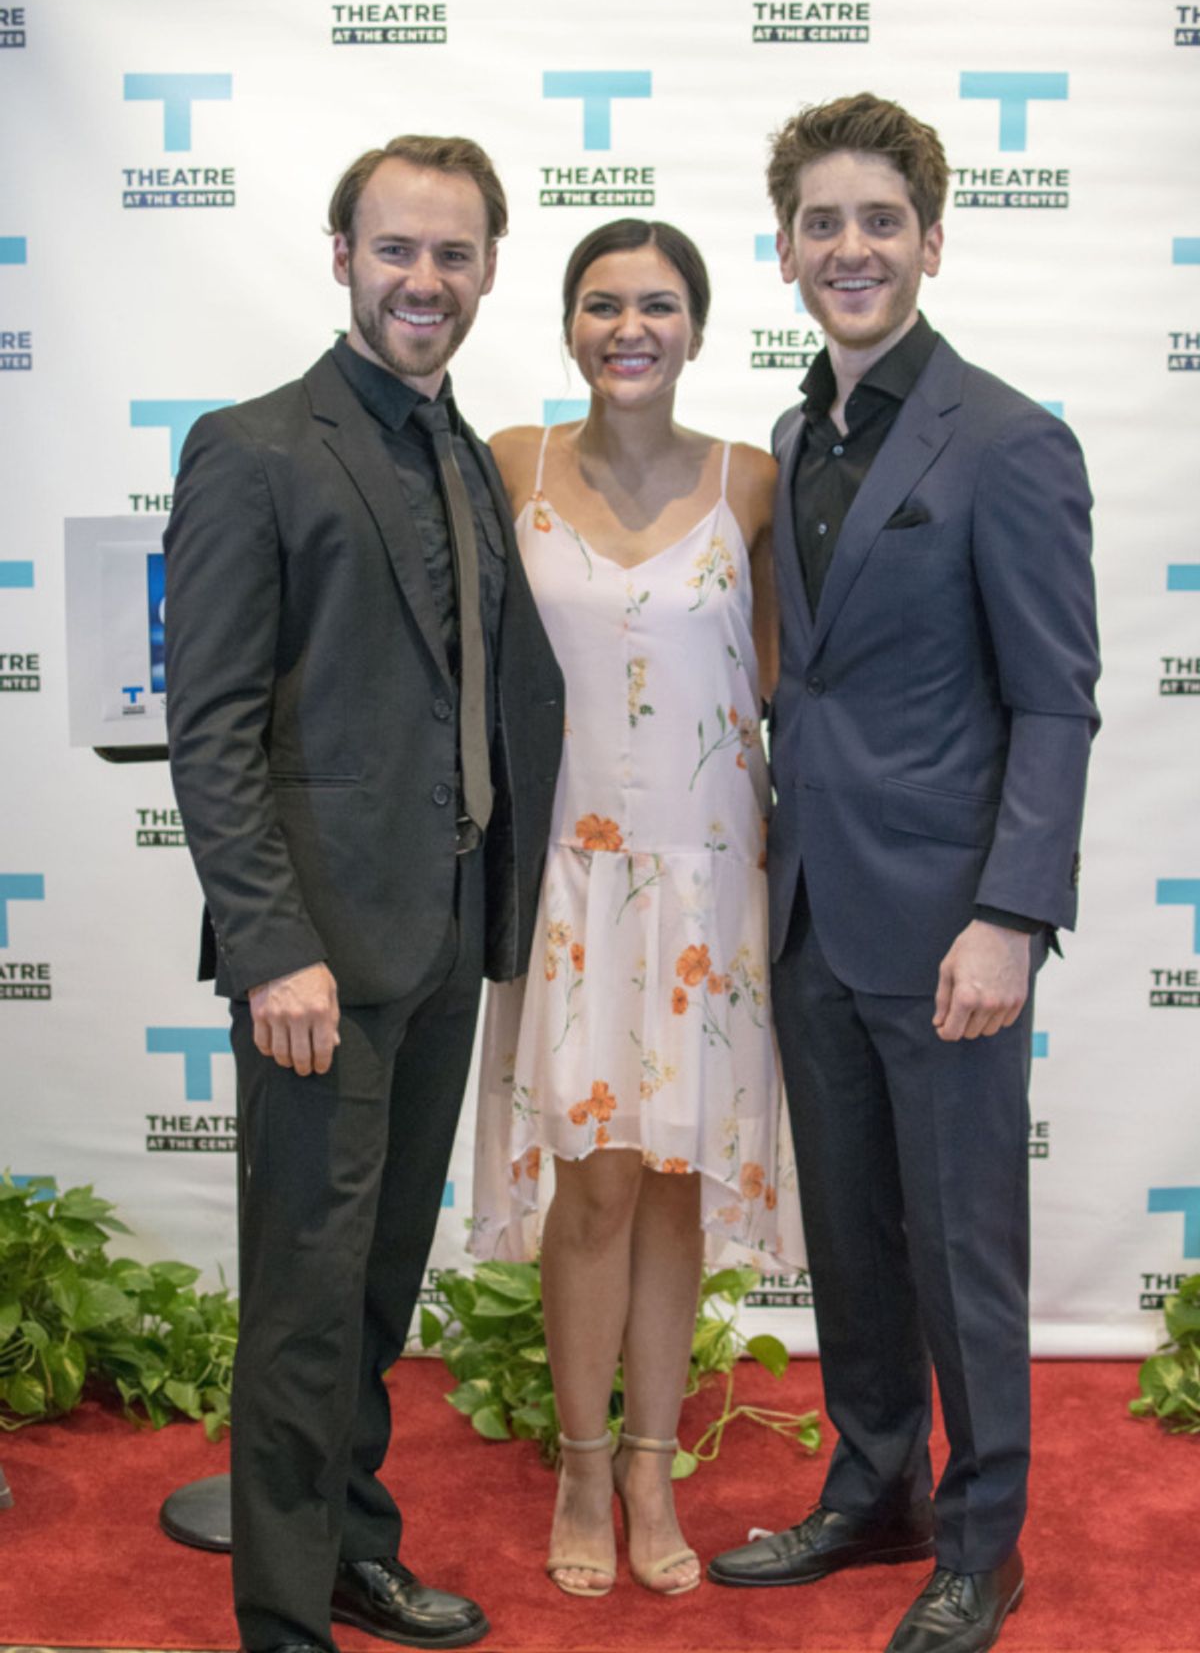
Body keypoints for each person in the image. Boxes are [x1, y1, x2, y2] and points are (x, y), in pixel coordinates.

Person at [707, 94, 1100, 1653]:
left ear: (930, 242)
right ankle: (875, 1488)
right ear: (788, 247)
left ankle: (983, 1540)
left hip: (950, 928)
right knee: (854, 1232)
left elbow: (1055, 697)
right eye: (823, 222)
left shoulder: (1009, 438)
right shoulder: (798, 434)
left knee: (961, 1244)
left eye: (880, 220)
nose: (850, 247)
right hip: (812, 910)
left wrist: (1010, 914)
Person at [164, 134, 564, 1653]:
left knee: (381, 1288)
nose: (424, 279)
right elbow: (210, 731)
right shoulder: (253, 446)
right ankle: (283, 1618)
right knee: (306, 1301)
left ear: (483, 273)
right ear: (341, 255)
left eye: (453, 255)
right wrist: (273, 950)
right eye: (397, 249)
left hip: (446, 937)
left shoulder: (466, 450)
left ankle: (350, 1546)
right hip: (317, 962)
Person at [469, 218, 801, 1601]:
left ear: (698, 327)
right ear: (565, 325)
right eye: (602, 304)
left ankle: (658, 1461)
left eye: (658, 306)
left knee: (672, 1188)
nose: (629, 328)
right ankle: (584, 1461)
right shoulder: (510, 463)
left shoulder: (755, 482)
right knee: (595, 1185)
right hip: (568, 881)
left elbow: (774, 679)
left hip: (708, 880)